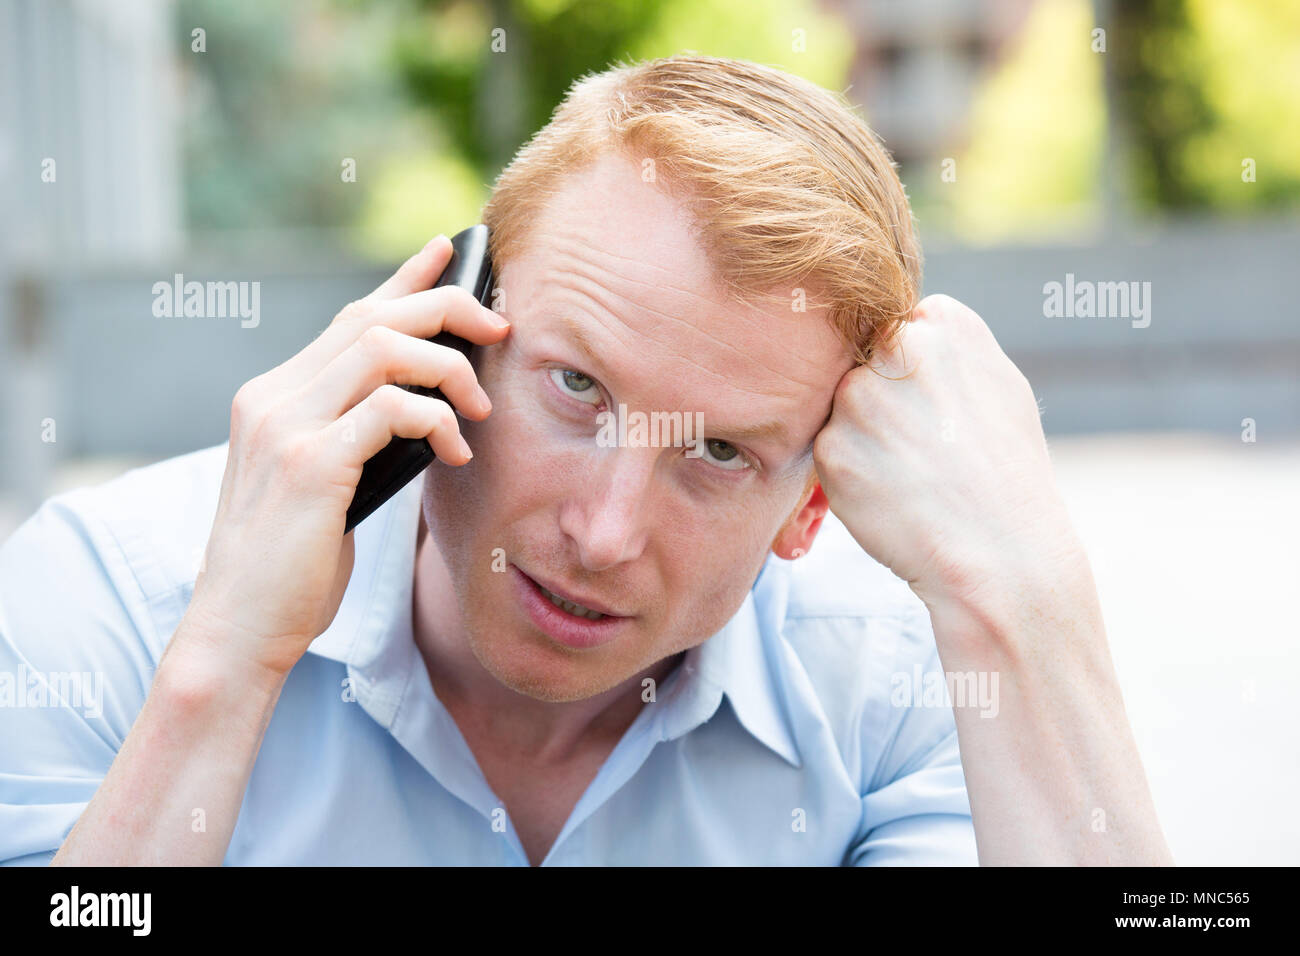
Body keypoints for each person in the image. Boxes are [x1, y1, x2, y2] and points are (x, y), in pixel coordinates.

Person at [0, 55, 1171, 866]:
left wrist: (1030, 594)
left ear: (808, 505)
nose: (604, 532)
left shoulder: (902, 693)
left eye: (717, 450)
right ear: (448, 330)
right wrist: (223, 660)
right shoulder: (104, 599)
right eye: (576, 388)